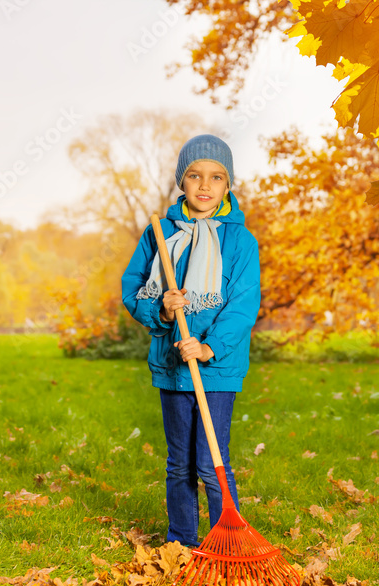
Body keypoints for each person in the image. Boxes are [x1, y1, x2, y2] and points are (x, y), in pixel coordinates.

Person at [121, 134, 260, 548]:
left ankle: (227, 543)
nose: (205, 185)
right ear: (182, 181)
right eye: (195, 175)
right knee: (179, 464)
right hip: (171, 365)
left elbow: (242, 304)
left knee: (212, 462)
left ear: (227, 185)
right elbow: (134, 289)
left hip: (216, 369)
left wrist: (209, 346)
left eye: (216, 177)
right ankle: (181, 542)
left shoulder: (240, 242)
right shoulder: (160, 235)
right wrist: (162, 310)